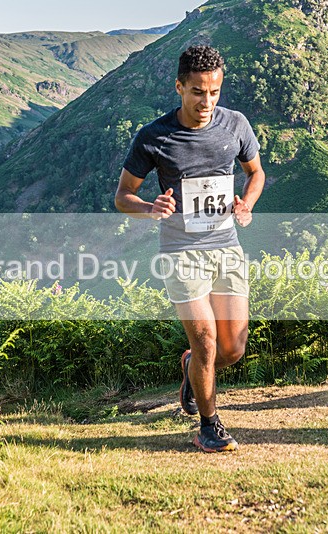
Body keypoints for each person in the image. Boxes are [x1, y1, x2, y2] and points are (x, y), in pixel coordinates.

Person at [115, 45, 265, 452]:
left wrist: (246, 204)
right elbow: (123, 196)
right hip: (181, 252)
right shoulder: (154, 137)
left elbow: (256, 174)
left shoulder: (235, 125)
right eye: (198, 91)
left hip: (226, 247)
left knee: (231, 349)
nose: (206, 102)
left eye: (214, 92)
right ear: (180, 87)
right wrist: (151, 207)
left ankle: (190, 368)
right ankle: (209, 425)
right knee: (206, 341)